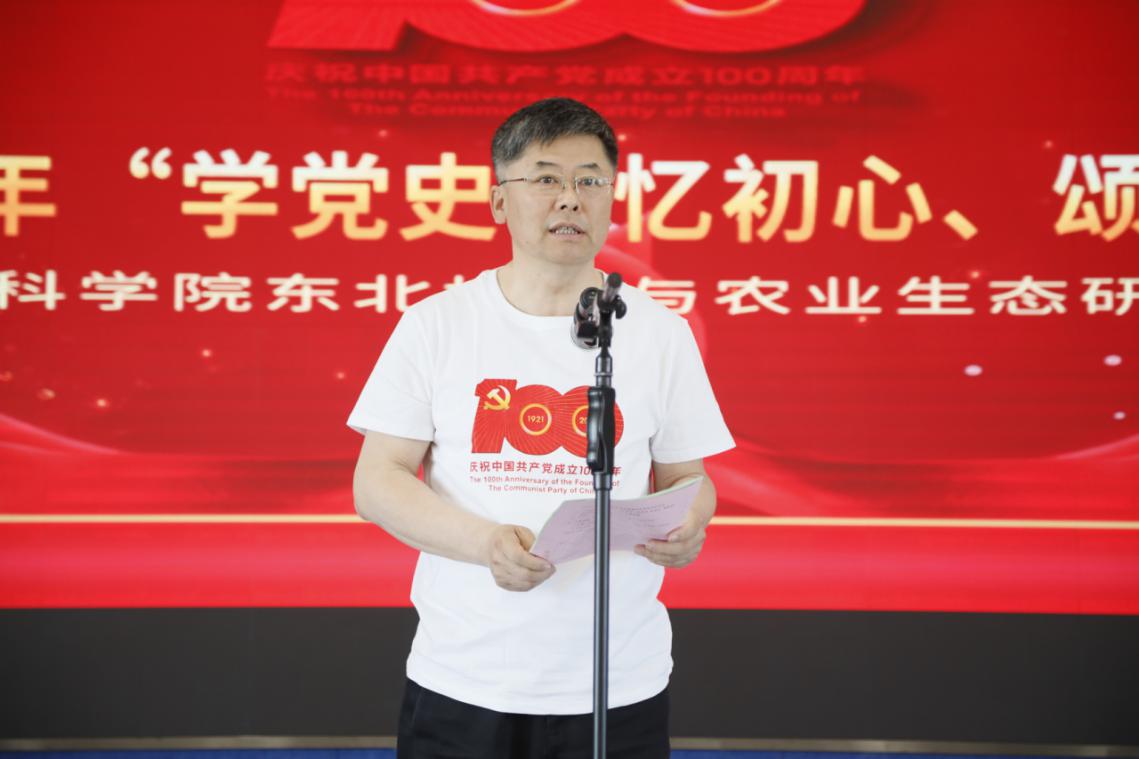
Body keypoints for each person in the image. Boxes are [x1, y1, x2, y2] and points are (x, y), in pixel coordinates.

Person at [348, 97, 734, 759]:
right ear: (499, 201)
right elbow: (376, 481)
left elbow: (688, 477)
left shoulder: (658, 333)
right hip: (465, 675)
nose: (570, 198)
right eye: (546, 178)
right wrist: (487, 544)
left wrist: (687, 523)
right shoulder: (438, 323)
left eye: (590, 180)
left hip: (617, 679)